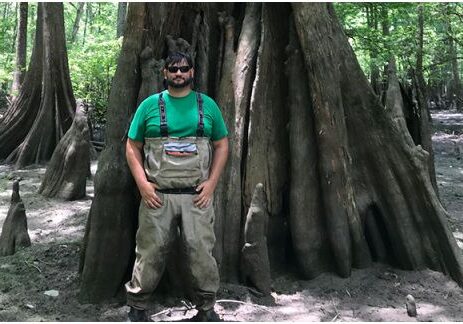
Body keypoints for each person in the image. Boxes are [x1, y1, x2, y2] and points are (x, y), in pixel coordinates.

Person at [124, 51, 229, 322]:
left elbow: (222, 145)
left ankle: (206, 310)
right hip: (157, 196)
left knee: (201, 251)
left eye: (184, 69)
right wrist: (143, 185)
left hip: (197, 196)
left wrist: (211, 184)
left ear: (192, 72)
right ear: (165, 73)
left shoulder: (208, 106)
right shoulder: (149, 106)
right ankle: (137, 309)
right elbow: (132, 146)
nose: (178, 73)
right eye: (173, 69)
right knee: (149, 250)